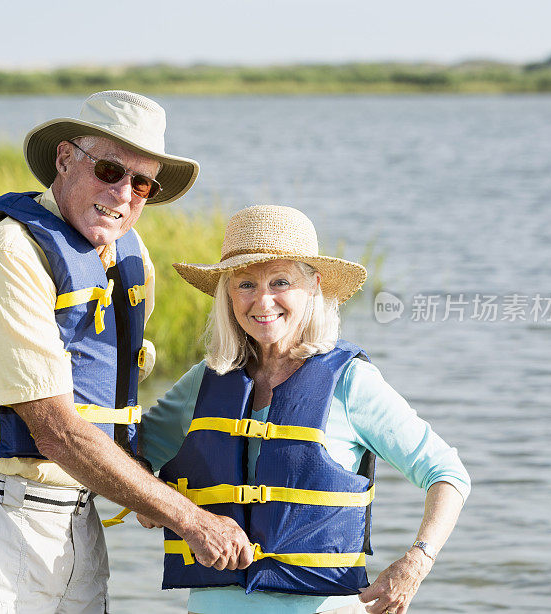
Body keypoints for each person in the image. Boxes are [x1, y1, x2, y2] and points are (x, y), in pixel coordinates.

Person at [0, 90, 254, 614]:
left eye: (142, 183)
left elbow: (107, 403)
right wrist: (188, 517)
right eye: (110, 170)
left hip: (77, 519)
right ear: (65, 160)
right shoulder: (6, 254)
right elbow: (54, 427)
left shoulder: (130, 261)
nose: (123, 194)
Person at [138, 205, 471, 614]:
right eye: (246, 284)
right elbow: (126, 457)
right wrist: (157, 505)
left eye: (281, 282)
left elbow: (448, 474)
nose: (263, 301)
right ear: (227, 292)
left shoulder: (351, 382)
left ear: (313, 286)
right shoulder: (204, 382)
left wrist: (416, 562)